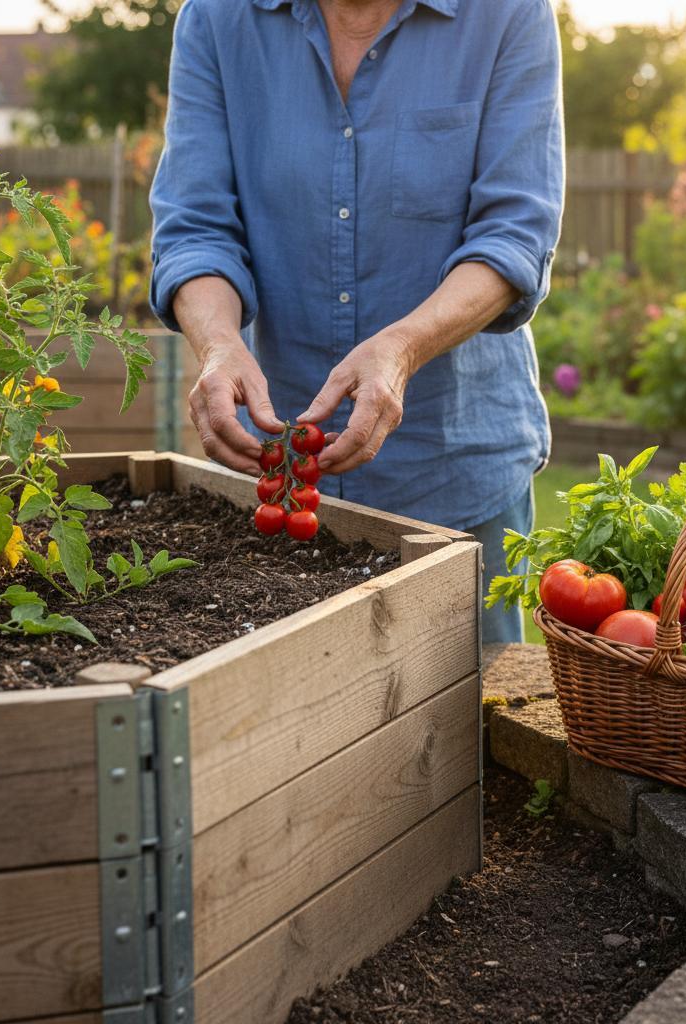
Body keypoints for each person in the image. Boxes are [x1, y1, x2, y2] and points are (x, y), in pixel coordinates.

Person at [150, 0, 564, 642]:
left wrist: (402, 347)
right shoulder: (217, 19)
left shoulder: (507, 14)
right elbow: (195, 230)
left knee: (473, 725)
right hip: (285, 473)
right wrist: (218, 345)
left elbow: (513, 236)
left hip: (454, 471)